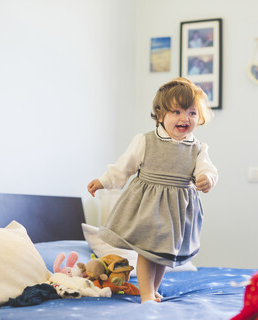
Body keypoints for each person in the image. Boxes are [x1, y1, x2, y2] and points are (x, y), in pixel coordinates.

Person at [87, 77, 218, 304]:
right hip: (148, 206)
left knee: (162, 256)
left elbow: (207, 169)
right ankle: (146, 294)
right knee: (148, 252)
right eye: (176, 112)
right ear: (160, 115)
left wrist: (207, 179)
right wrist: (103, 181)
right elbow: (123, 167)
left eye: (192, 113)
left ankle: (153, 291)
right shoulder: (145, 141)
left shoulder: (197, 148)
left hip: (177, 212)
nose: (184, 118)